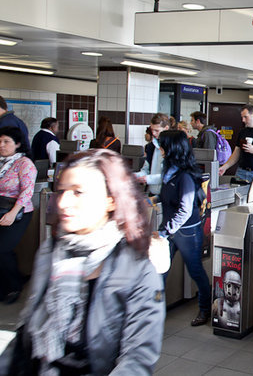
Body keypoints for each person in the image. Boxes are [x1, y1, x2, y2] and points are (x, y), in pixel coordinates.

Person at [6, 150, 164, 374]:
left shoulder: (138, 271)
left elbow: (137, 358)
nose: (64, 202)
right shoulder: (51, 252)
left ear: (111, 200)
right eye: (62, 191)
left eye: (78, 192)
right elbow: (26, 329)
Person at [156, 130, 211, 327]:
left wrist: (165, 231)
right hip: (170, 230)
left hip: (187, 232)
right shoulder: (170, 169)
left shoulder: (184, 176)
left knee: (195, 271)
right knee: (159, 271)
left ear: (171, 148)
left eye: (162, 144)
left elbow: (186, 209)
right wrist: (154, 199)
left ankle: (205, 308)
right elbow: (169, 195)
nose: (159, 148)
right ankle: (155, 313)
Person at [0, 126, 37, 304]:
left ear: (18, 144)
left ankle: (14, 286)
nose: (1, 145)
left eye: (6, 141)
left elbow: (27, 192)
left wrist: (13, 214)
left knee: (3, 249)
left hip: (18, 212)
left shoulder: (24, 164)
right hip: (1, 210)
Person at [218, 105, 253, 181]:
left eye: (245, 117)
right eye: (242, 117)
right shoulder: (242, 132)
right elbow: (236, 153)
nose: (243, 120)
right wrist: (225, 167)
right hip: (241, 171)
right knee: (238, 193)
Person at [135, 113, 169, 195]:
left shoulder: (173, 147)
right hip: (152, 192)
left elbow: (170, 175)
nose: (153, 133)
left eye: (157, 130)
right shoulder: (151, 146)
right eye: (152, 130)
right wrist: (135, 176)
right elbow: (146, 169)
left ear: (166, 128)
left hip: (167, 194)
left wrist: (148, 179)